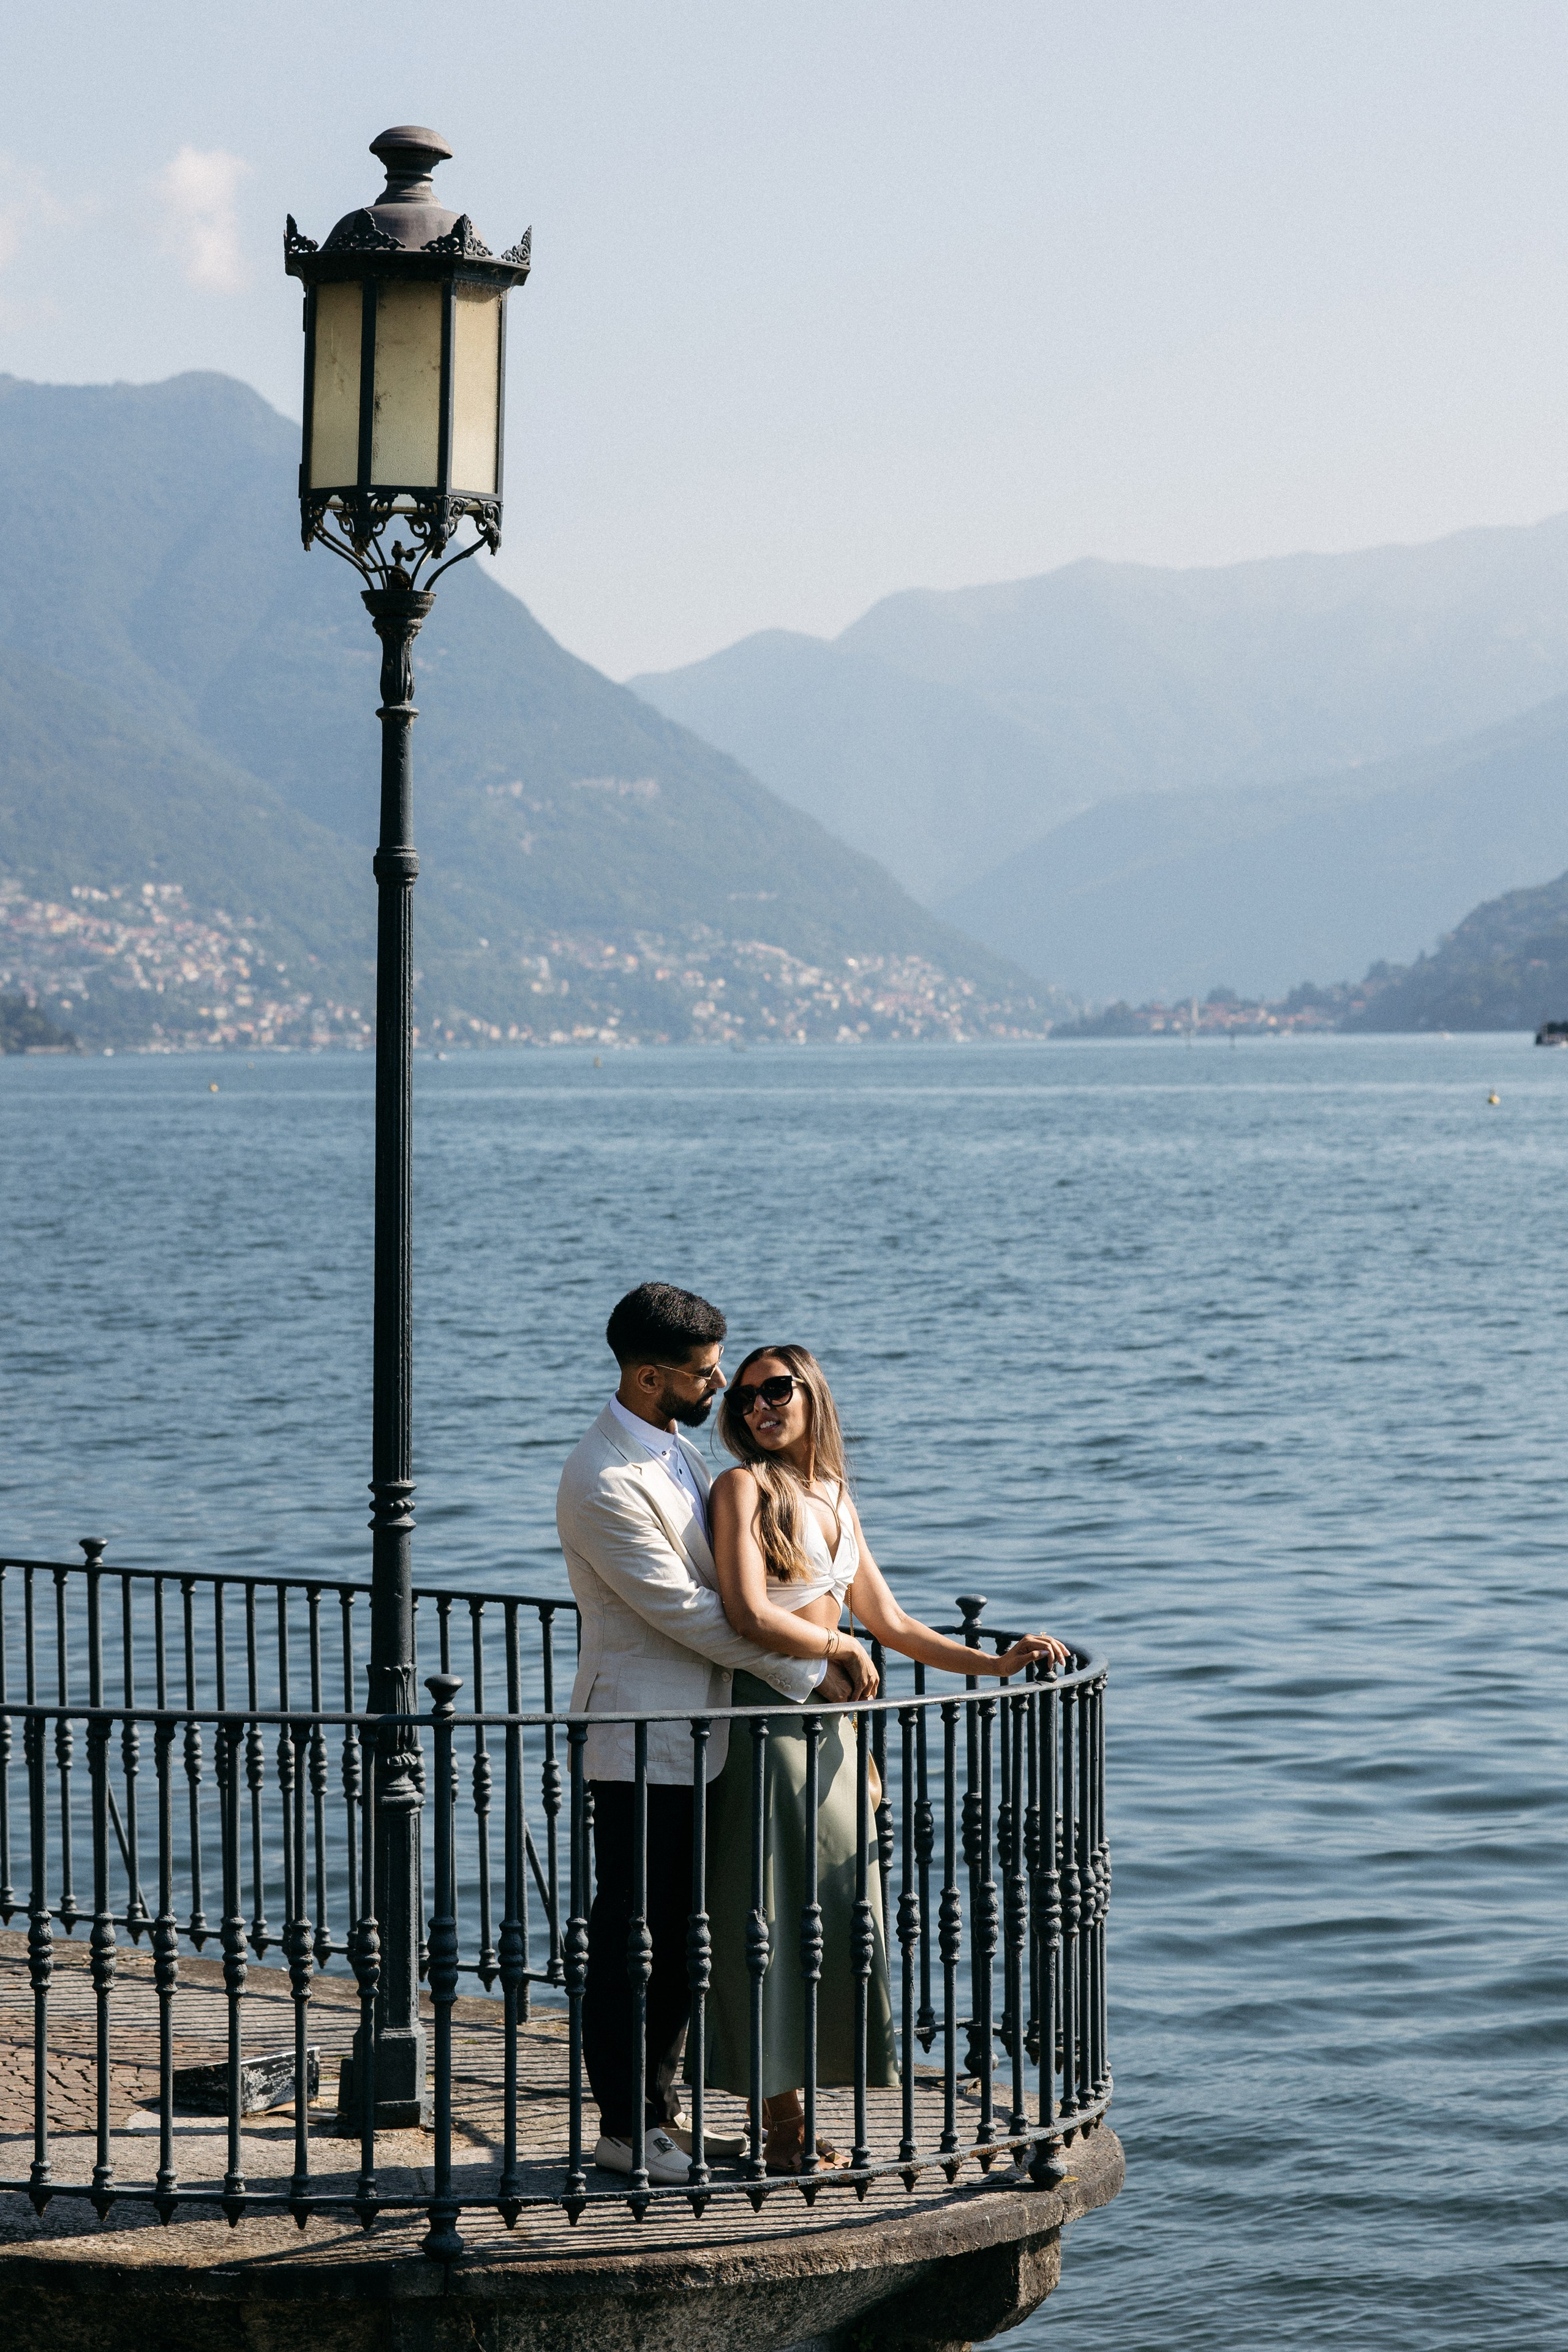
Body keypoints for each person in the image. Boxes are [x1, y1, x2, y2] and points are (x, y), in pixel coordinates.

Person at [695, 1344, 1069, 2174]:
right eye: (747, 1396)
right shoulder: (742, 1490)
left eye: (778, 1390)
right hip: (769, 1728)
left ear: (812, 1395)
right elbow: (748, 1611)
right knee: (769, 1918)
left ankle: (802, 2118)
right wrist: (835, 1643)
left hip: (834, 1737)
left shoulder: (833, 1497)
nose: (760, 1406)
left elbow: (893, 1625)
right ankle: (783, 2132)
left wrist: (999, 1664)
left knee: (834, 1915)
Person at [556, 1285, 870, 2186]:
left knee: (681, 1936)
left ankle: (665, 2116)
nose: (723, 1383)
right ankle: (628, 2127)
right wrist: (818, 1656)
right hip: (642, 1731)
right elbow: (689, 1614)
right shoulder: (603, 1478)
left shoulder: (679, 1452)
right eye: (703, 1372)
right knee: (632, 1937)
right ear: (651, 1377)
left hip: (709, 1734)